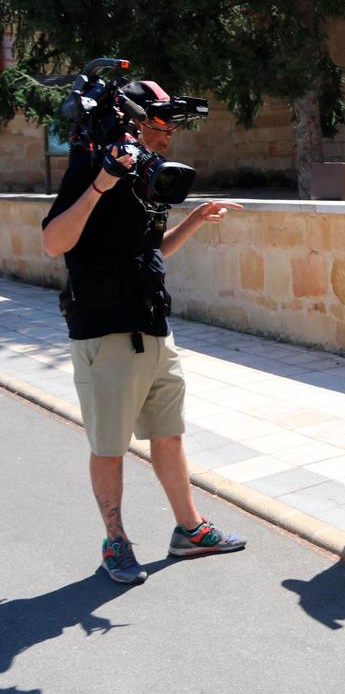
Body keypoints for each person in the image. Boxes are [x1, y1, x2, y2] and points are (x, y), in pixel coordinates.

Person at [42, 80, 247, 585]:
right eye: (162, 122)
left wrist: (196, 219)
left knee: (168, 435)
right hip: (106, 333)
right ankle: (115, 541)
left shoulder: (146, 178)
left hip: (154, 329)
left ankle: (189, 529)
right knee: (109, 446)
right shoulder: (93, 166)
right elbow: (53, 242)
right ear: (134, 119)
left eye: (174, 123)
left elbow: (154, 251)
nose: (171, 133)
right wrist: (100, 185)